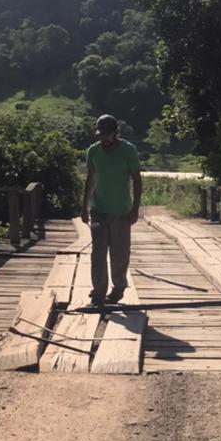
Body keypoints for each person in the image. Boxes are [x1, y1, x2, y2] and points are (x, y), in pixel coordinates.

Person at [80, 114, 142, 306]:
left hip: (122, 212)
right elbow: (90, 179)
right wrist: (84, 206)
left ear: (115, 133)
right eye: (100, 135)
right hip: (99, 210)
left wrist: (135, 209)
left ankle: (119, 288)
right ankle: (98, 293)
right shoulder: (94, 151)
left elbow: (137, 180)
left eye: (107, 135)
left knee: (120, 253)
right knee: (98, 253)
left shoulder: (128, 151)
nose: (103, 138)